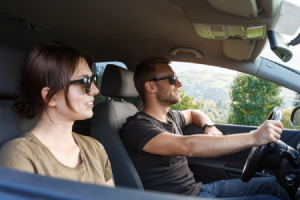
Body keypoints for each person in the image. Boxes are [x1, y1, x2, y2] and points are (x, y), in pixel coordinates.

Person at [120, 56, 289, 199]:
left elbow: (194, 113)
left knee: (276, 184)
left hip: (200, 190)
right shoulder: (138, 127)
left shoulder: (171, 116)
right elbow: (188, 146)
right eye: (171, 79)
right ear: (151, 87)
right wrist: (254, 138)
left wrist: (208, 125)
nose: (179, 83)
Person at [0, 43, 114, 187]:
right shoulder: (19, 154)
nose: (95, 90)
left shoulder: (95, 148)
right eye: (85, 82)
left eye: (93, 80)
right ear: (51, 97)